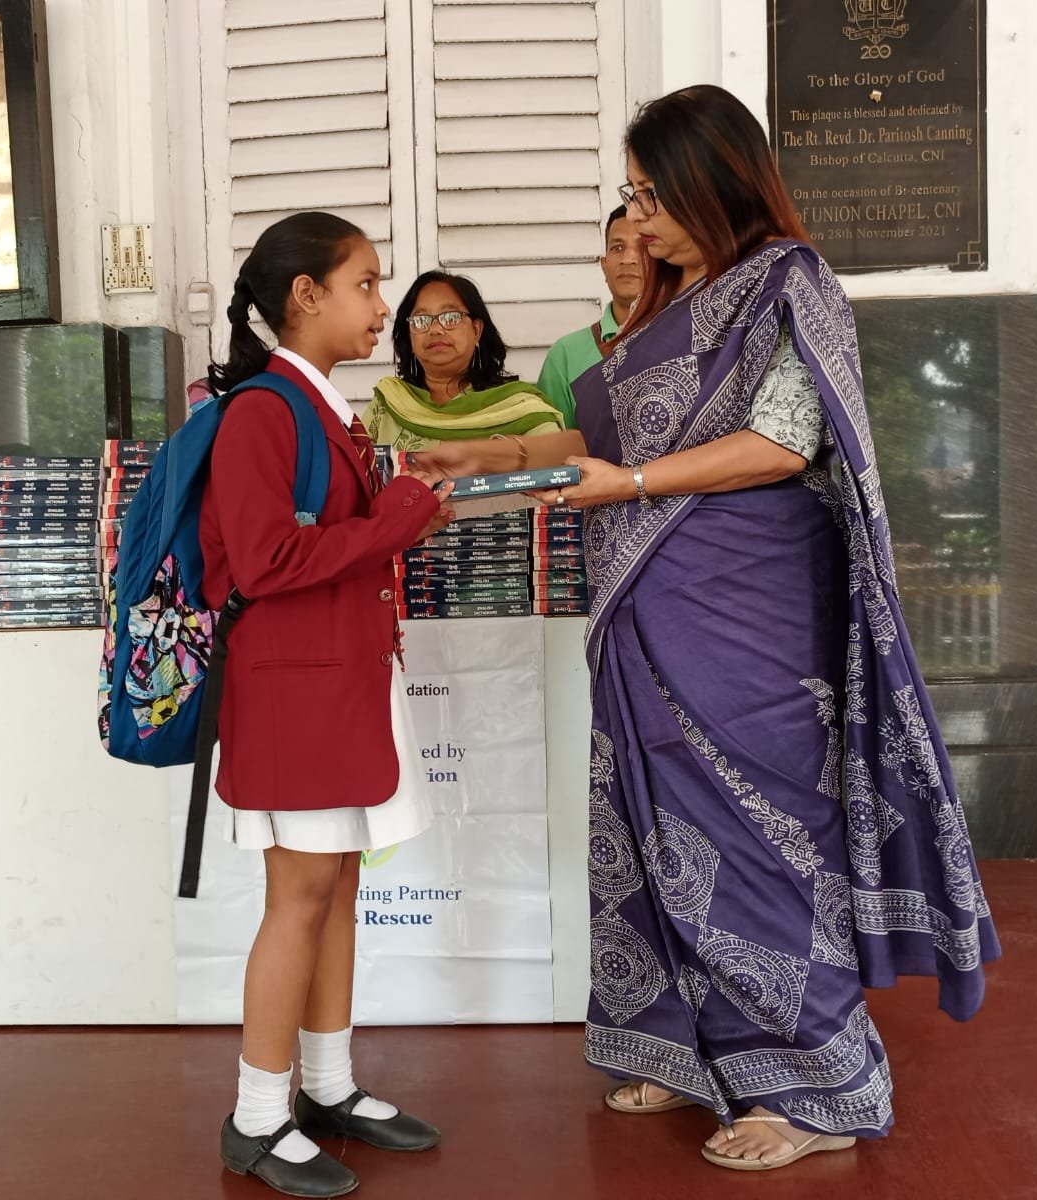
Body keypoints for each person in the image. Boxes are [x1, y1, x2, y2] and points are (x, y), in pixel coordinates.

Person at [410, 85, 999, 1173]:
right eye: (630, 195)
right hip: (645, 606)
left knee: (762, 835)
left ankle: (820, 1089)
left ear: (713, 184)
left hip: (749, 612)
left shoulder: (787, 282)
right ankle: (688, 1048)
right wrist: (488, 460)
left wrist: (630, 484)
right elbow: (593, 452)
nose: (636, 221)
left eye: (653, 196)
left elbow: (781, 442)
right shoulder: (663, 306)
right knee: (656, 823)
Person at [201, 212, 455, 1198]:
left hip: (334, 682)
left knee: (339, 887)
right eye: (366, 284)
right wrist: (398, 516)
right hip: (294, 694)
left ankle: (328, 1085)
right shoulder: (264, 412)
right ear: (305, 296)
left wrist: (404, 510)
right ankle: (257, 1116)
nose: (382, 306)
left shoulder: (318, 408)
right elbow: (265, 561)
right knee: (299, 898)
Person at [362, 270, 564, 453]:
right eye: (421, 320)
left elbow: (557, 458)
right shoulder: (387, 404)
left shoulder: (517, 405)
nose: (435, 329)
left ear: (476, 330)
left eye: (450, 318)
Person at [536, 205, 645, 427]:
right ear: (604, 265)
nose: (628, 258)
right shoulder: (565, 355)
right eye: (617, 248)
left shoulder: (686, 340)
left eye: (642, 247)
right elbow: (554, 440)